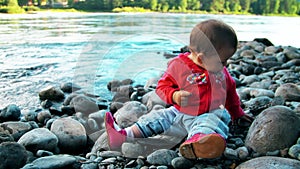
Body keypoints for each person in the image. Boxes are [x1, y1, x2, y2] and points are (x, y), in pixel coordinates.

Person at [105, 19, 253, 159]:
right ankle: (124, 134)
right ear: (201, 58)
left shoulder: (221, 72)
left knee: (214, 120)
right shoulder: (179, 66)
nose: (225, 65)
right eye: (222, 61)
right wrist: (174, 95)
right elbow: (162, 87)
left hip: (209, 112)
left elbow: (231, 93)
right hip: (180, 112)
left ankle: (199, 142)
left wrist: (237, 113)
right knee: (157, 118)